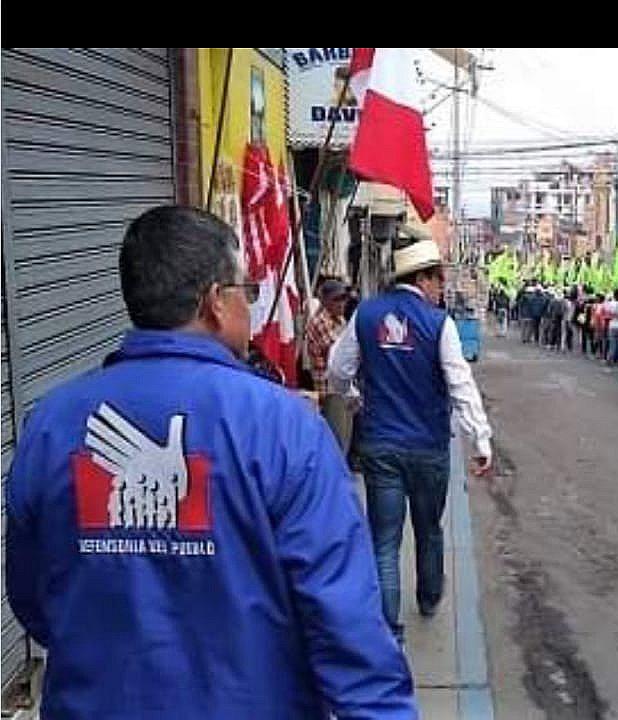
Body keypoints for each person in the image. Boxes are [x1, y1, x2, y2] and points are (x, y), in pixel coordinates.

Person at [4, 206, 415, 719]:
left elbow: (35, 598)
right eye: (246, 290)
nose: (251, 304)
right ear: (215, 303)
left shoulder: (51, 425)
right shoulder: (285, 431)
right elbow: (346, 628)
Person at [328, 236, 493, 646]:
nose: (441, 289)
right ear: (422, 278)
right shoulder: (439, 324)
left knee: (384, 540)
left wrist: (352, 397)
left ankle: (390, 632)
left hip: (380, 444)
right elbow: (460, 383)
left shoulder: (366, 315)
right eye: (438, 280)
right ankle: (430, 597)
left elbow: (337, 367)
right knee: (428, 529)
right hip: (428, 447)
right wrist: (480, 440)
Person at [306, 279, 349, 393]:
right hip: (327, 386)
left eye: (344, 298)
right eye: (336, 299)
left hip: (337, 384)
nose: (342, 303)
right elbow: (340, 352)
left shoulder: (339, 319)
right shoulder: (320, 321)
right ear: (325, 301)